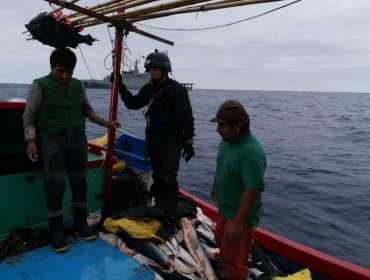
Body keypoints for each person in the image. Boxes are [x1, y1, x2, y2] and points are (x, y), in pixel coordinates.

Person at [23, 48, 121, 253]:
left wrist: (106, 123)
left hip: (77, 141)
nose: (65, 76)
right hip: (52, 143)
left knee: (79, 184)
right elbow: (29, 114)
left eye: (69, 71)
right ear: (52, 67)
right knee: (55, 187)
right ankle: (56, 230)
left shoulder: (78, 85)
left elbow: (87, 109)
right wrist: (30, 141)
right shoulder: (39, 85)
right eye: (60, 71)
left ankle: (81, 223)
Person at [117, 50, 195, 239]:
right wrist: (120, 86)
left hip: (172, 140)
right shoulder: (149, 88)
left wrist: (189, 142)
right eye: (149, 69)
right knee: (159, 177)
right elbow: (133, 104)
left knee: (169, 177)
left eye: (154, 69)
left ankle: (169, 219)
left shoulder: (178, 90)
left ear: (164, 69)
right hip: (154, 139)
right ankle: (161, 209)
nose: (151, 72)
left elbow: (187, 117)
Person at [210, 99, 266, 280]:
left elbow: (254, 188)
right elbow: (221, 165)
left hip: (240, 215)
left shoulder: (251, 151)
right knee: (221, 242)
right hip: (226, 209)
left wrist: (238, 223)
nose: (218, 130)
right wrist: (215, 186)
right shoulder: (227, 141)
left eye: (222, 126)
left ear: (238, 126)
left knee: (233, 263)